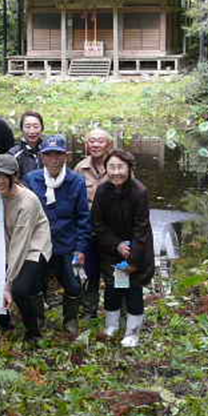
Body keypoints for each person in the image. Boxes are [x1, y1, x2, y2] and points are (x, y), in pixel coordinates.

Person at [23, 135, 91, 336]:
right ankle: (38, 319)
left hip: (66, 245)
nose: (53, 159)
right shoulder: (32, 179)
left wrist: (80, 248)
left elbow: (83, 218)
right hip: (39, 245)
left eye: (58, 155)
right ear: (42, 157)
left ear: (66, 157)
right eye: (49, 155)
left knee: (73, 284)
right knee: (34, 284)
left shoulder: (76, 181)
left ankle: (70, 319)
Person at [91, 149, 155, 348]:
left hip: (137, 247)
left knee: (133, 288)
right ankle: (112, 325)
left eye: (120, 167)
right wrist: (116, 245)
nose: (116, 172)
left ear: (129, 168)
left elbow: (141, 228)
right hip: (112, 248)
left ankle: (132, 331)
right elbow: (98, 224)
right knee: (114, 287)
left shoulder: (139, 192)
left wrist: (133, 259)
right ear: (106, 169)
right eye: (112, 167)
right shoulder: (102, 191)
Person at [0, 154, 53, 341]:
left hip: (33, 247)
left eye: (5, 176)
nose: (0, 181)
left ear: (15, 177)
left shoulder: (27, 202)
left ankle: (33, 332)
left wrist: (8, 283)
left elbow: (20, 243)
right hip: (10, 245)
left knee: (20, 289)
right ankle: (5, 325)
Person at [74, 128, 115, 321]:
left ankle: (117, 309)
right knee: (90, 273)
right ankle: (89, 311)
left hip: (113, 230)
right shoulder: (80, 168)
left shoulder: (118, 166)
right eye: (92, 141)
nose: (96, 145)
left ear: (108, 144)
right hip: (88, 230)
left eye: (100, 141)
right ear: (86, 144)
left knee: (115, 273)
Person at [8, 111, 46, 177]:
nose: (32, 131)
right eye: (28, 127)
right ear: (21, 129)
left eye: (36, 127)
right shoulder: (13, 154)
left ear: (42, 128)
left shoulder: (48, 151)